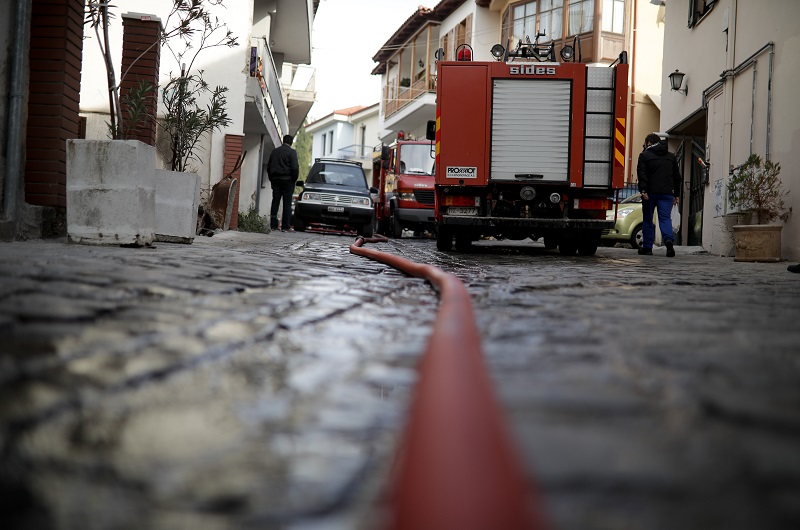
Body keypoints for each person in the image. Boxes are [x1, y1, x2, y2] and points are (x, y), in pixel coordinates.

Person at [637, 133, 682, 257]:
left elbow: (642, 175)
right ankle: (668, 241)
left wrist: (643, 190)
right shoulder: (671, 157)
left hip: (650, 194)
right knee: (665, 218)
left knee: (647, 219)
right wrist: (676, 194)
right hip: (667, 194)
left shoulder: (644, 156)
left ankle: (647, 248)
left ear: (649, 143)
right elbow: (677, 177)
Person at [267, 135, 299, 231]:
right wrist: (293, 179)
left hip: (276, 180)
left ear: (283, 141)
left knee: (275, 201)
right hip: (288, 181)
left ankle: (273, 225)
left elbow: (269, 167)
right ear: (291, 142)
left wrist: (272, 178)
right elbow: (295, 168)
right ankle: (286, 226)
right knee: (287, 203)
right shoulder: (292, 152)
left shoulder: (275, 152)